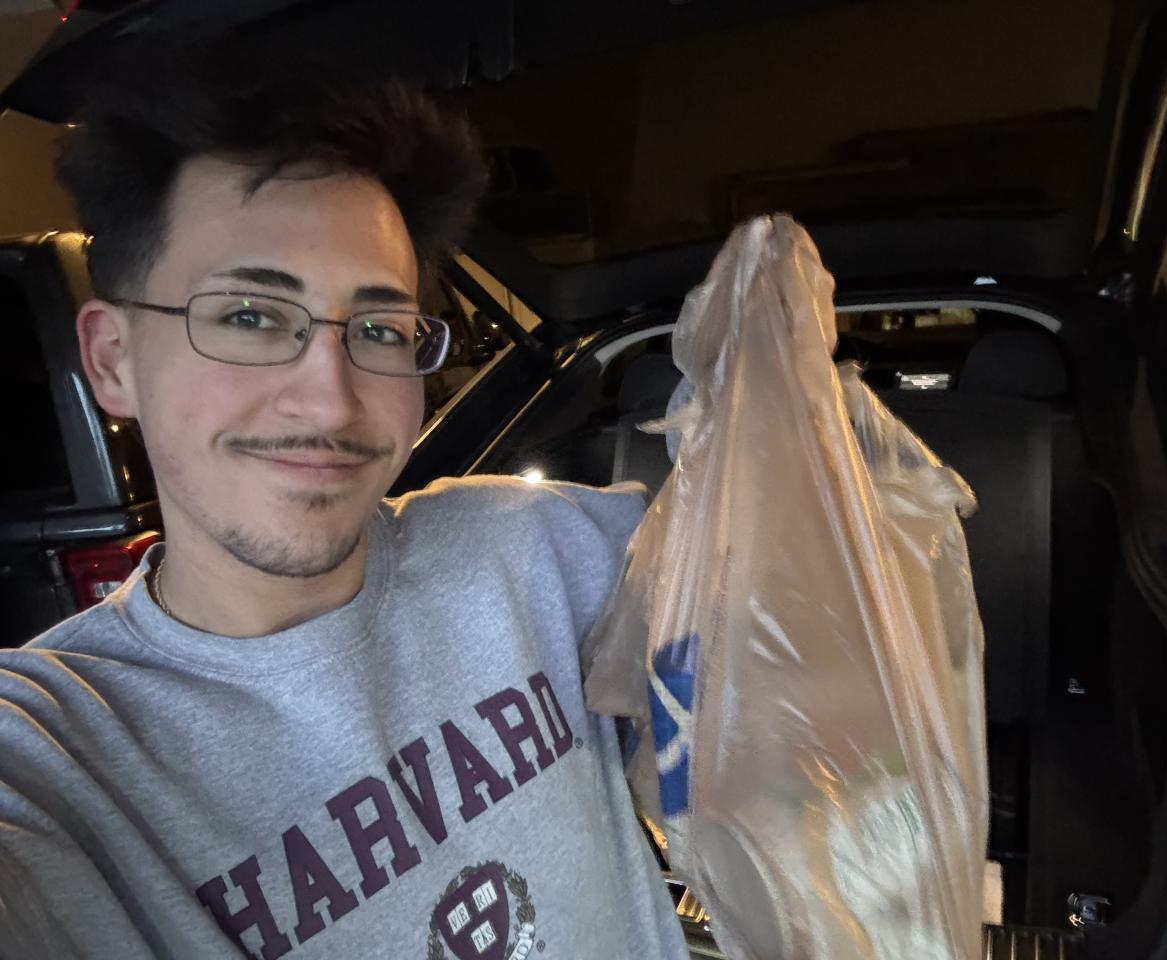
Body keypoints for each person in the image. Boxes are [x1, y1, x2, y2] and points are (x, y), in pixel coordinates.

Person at [0, 51, 686, 960]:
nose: (329, 401)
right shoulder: (50, 751)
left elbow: (785, 605)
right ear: (113, 359)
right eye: (250, 316)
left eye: (380, 329)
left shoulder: (537, 549)